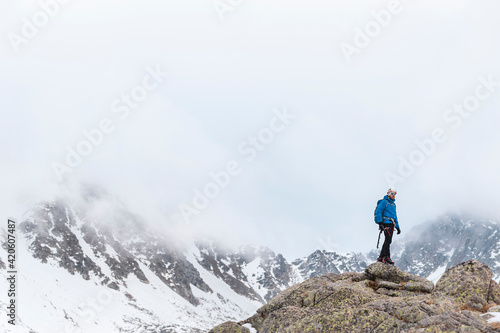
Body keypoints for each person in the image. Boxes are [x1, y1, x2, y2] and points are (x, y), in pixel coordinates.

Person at [374, 188, 401, 265]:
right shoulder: (384, 202)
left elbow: (395, 216)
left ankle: (382, 257)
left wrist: (398, 227)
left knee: (388, 240)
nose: (393, 195)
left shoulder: (393, 204)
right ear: (388, 194)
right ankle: (386, 257)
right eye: (392, 193)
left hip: (392, 224)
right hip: (385, 223)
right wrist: (380, 223)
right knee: (388, 240)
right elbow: (378, 211)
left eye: (394, 194)